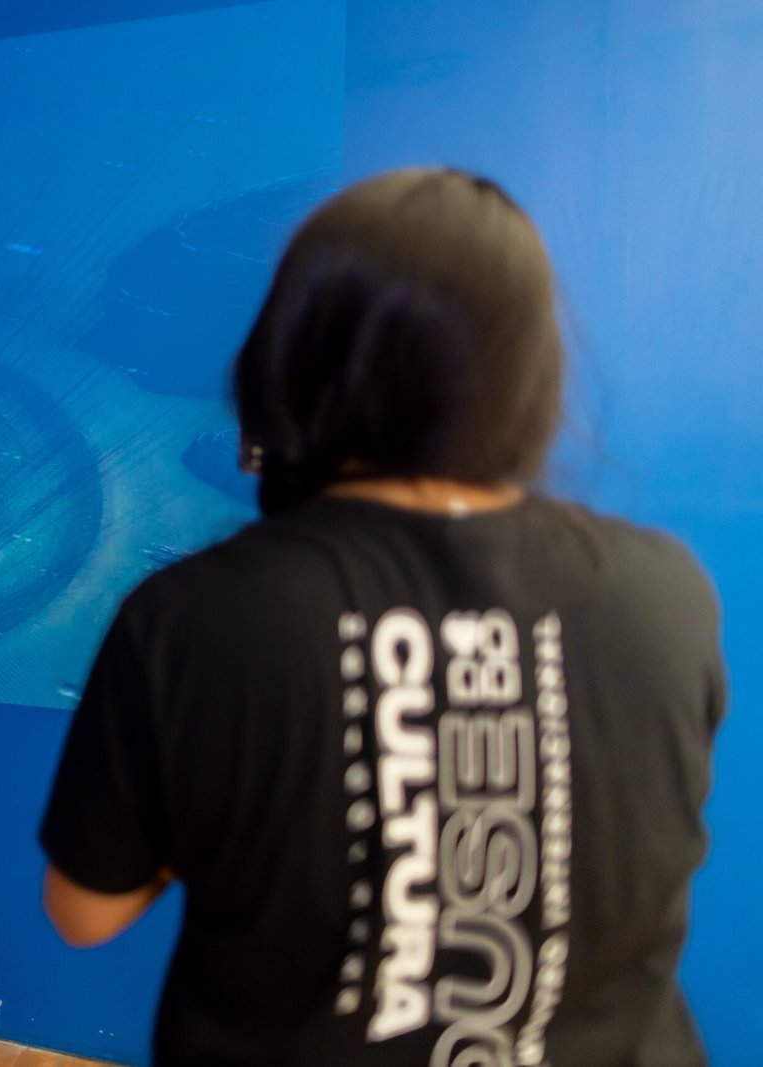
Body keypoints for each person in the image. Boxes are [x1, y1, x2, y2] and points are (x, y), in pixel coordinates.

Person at [38, 168, 726, 1066]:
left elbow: (83, 910)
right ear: (528, 371)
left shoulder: (196, 616)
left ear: (292, 360)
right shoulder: (666, 592)